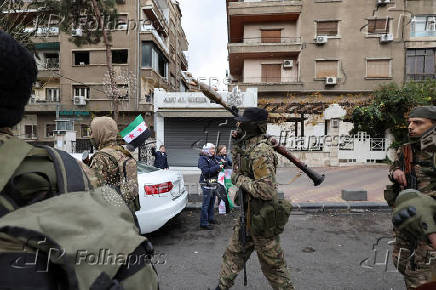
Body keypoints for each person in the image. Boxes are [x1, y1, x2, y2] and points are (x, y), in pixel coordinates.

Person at [0, 30, 158, 289]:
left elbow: (97, 201)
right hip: (124, 226)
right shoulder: (122, 153)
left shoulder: (101, 159)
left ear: (98, 133)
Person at [215, 107, 294, 290]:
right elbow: (238, 167)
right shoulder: (247, 146)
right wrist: (235, 145)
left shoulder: (261, 152)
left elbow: (266, 190)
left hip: (262, 220)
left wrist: (239, 179)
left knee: (273, 268)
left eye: (243, 123)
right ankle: (221, 287)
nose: (239, 125)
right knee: (233, 255)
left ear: (254, 127)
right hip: (247, 216)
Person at [388, 106, 436, 290]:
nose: (410, 126)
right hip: (407, 220)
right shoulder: (407, 150)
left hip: (429, 222)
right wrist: (396, 172)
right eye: (410, 122)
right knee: (401, 261)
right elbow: (393, 168)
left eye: (418, 123)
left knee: (422, 273)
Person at [89, 116, 140, 213]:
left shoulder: (100, 157)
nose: (91, 136)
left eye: (92, 132)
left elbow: (94, 192)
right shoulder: (123, 152)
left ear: (101, 132)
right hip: (127, 211)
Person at [198, 143, 224, 230]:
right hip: (206, 184)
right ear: (206, 150)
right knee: (206, 204)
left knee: (212, 202)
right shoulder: (202, 159)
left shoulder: (212, 157)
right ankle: (204, 223)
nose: (213, 150)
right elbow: (205, 171)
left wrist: (220, 166)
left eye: (214, 149)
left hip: (213, 183)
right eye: (211, 149)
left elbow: (216, 167)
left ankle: (210, 218)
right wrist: (217, 167)